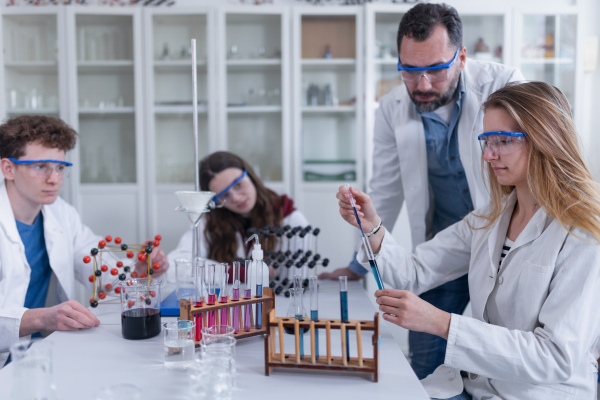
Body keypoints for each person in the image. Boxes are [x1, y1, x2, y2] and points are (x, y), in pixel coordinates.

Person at [337, 81, 600, 399]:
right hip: (480, 386)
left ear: (546, 139)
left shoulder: (583, 232)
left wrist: (443, 324)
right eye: (487, 140)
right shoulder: (491, 217)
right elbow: (413, 272)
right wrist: (372, 226)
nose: (489, 154)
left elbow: (555, 357)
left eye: (503, 140)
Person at [320, 2, 524, 379]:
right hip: (440, 253)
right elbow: (382, 191)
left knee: (502, 367)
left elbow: (533, 164)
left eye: (434, 69)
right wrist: (355, 263)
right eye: (409, 71)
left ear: (461, 57)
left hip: (502, 250)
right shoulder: (391, 108)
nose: (422, 85)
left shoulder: (504, 85)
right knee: (426, 372)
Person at [0, 115, 169, 366]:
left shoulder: (62, 214)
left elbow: (101, 270)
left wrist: (139, 272)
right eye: (40, 166)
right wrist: (41, 318)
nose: (54, 179)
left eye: (59, 167)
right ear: (8, 168)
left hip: (43, 349)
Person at [168, 151, 309, 274]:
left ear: (251, 176)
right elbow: (179, 264)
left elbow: (299, 280)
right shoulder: (209, 221)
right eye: (223, 195)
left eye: (238, 184)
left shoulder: (291, 219)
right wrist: (237, 272)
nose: (235, 198)